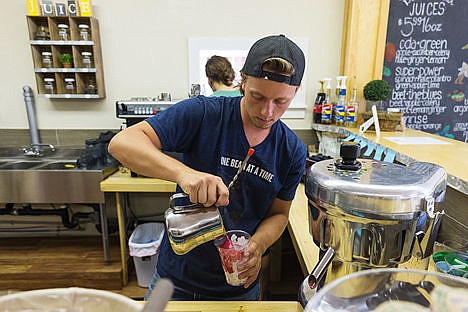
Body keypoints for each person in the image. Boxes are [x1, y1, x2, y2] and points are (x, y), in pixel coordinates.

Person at [108, 34, 307, 301]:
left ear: (294, 92)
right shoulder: (204, 113)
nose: (267, 112)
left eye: (280, 102)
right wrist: (184, 173)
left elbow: (279, 215)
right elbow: (122, 143)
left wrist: (257, 246)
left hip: (238, 289)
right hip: (175, 281)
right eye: (257, 96)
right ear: (242, 81)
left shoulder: (292, 150)